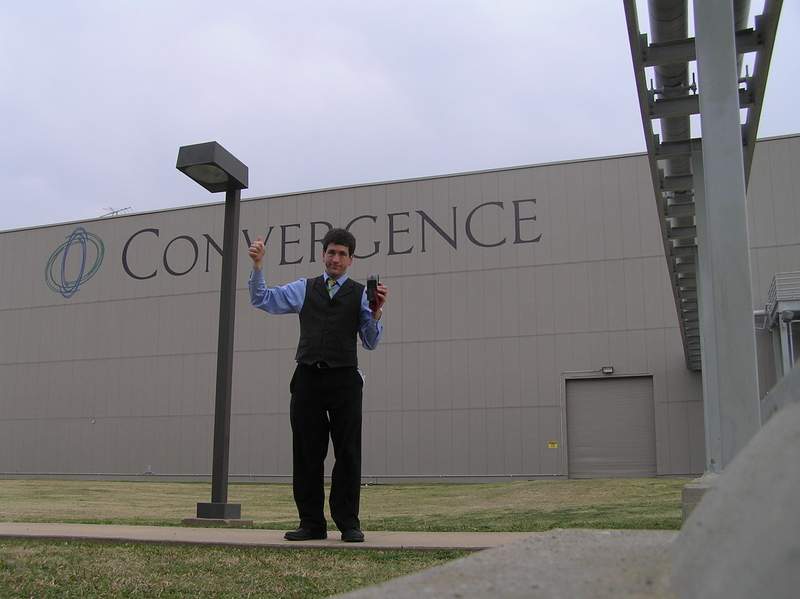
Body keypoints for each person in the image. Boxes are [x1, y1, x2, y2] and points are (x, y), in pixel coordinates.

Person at [247, 227, 388, 542]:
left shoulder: (361, 295)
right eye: (330, 252)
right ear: (322, 255)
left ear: (351, 259)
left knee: (348, 453)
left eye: (341, 254)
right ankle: (311, 523)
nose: (335, 258)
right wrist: (258, 266)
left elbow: (369, 342)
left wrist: (376, 312)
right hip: (308, 377)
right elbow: (262, 298)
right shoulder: (304, 288)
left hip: (344, 379)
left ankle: (348, 523)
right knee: (307, 454)